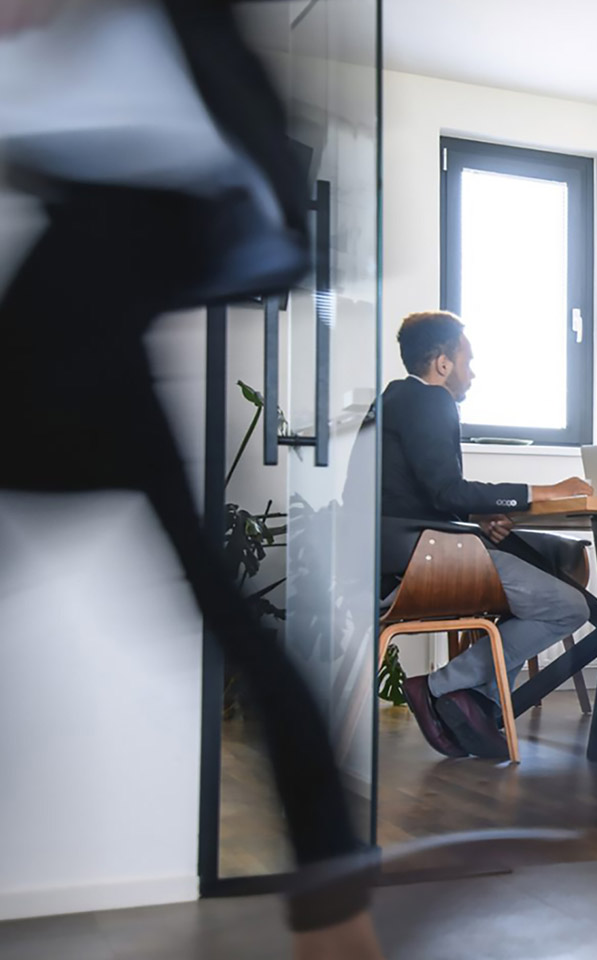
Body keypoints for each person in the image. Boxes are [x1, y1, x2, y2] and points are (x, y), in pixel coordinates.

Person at [0, 1, 386, 954]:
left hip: (119, 216)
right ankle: (336, 905)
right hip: (118, 219)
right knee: (220, 602)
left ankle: (337, 901)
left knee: (218, 602)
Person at [380, 310, 593, 760]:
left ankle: (481, 705)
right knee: (570, 605)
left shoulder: (392, 401)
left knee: (545, 563)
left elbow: (418, 492)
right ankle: (440, 687)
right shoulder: (429, 401)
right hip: (426, 558)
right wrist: (545, 490)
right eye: (467, 360)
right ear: (442, 363)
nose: (471, 372)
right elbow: (445, 490)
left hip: (396, 551)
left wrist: (476, 515)